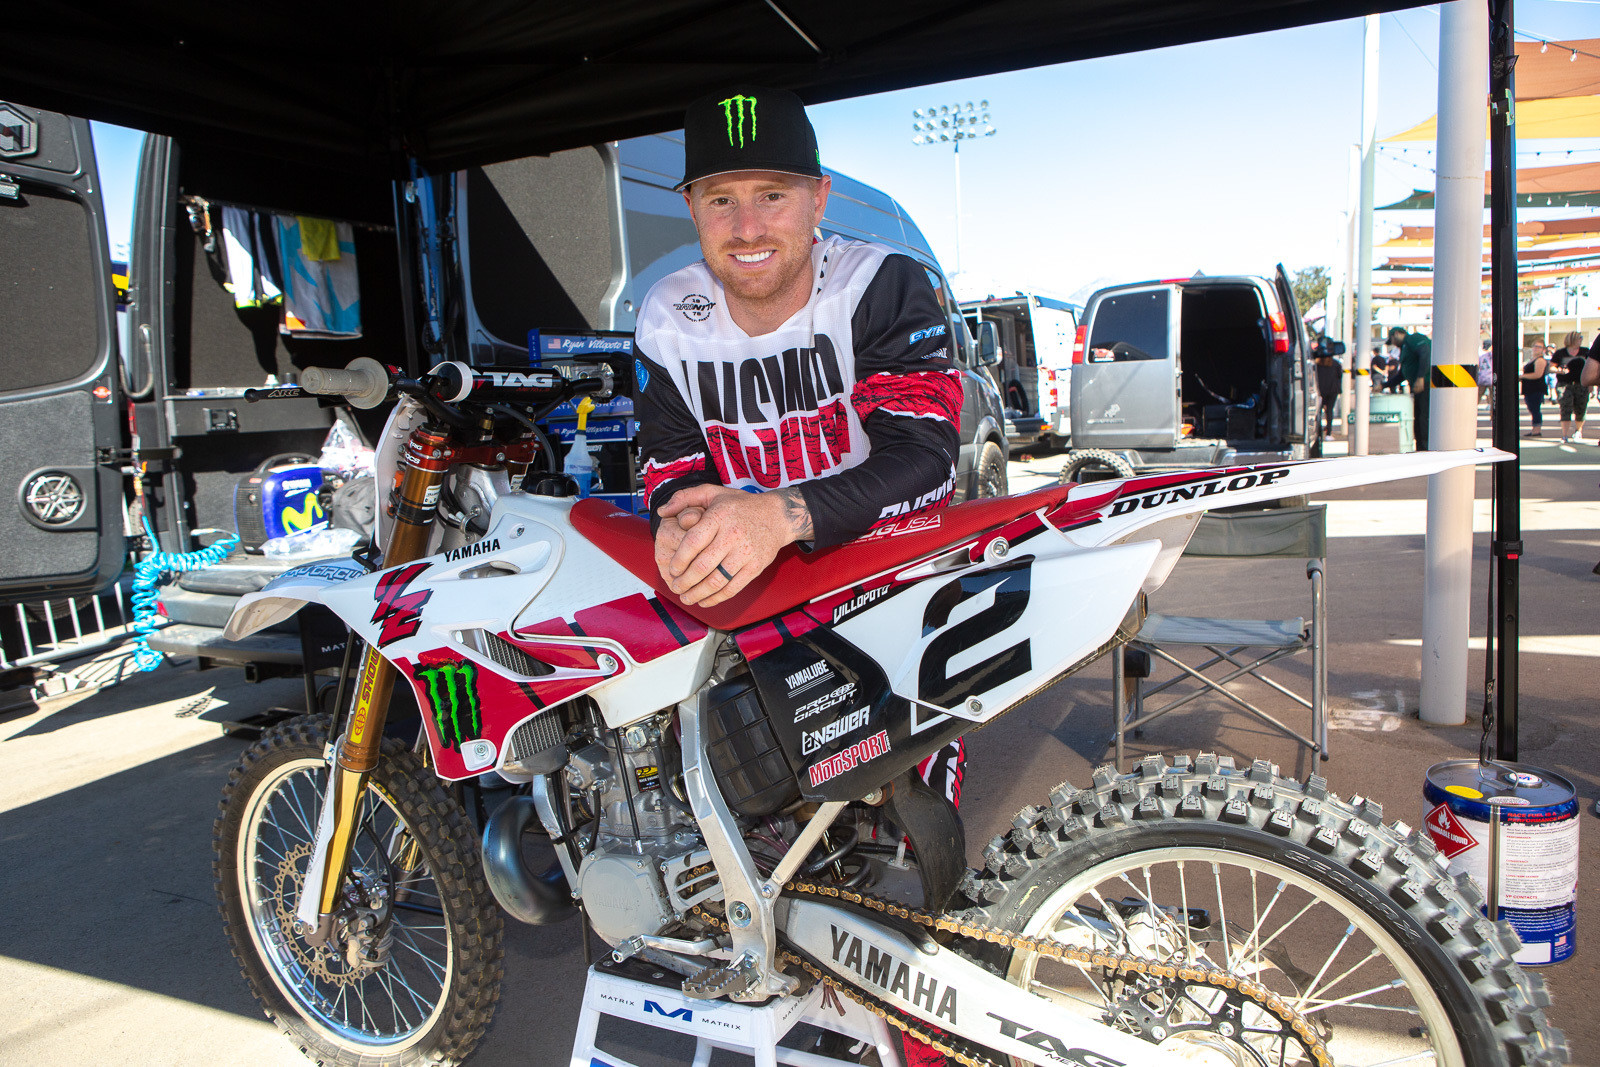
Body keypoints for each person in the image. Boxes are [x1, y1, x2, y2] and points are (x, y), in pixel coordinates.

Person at [1389, 326, 1431, 450]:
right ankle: (1420, 447)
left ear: (1396, 334)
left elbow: (1425, 353)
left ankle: (1425, 448)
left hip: (1426, 384)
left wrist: (1420, 377)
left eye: (1391, 339)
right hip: (1417, 387)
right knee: (1418, 418)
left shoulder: (1413, 339)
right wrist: (1385, 385)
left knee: (1424, 418)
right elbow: (1402, 374)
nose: (1392, 343)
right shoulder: (1405, 348)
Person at [1553, 330, 1590, 444]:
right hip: (1565, 384)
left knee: (1581, 409)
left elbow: (1590, 368)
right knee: (1565, 408)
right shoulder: (1560, 353)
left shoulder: (1585, 352)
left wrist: (1590, 385)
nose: (1581, 340)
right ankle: (1564, 435)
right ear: (1572, 339)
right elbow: (1551, 367)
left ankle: (1578, 430)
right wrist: (1560, 370)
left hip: (1581, 384)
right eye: (1579, 337)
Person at [1520, 341, 1549, 437]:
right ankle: (1535, 428)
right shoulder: (1532, 359)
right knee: (1532, 408)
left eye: (1539, 347)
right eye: (1535, 346)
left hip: (1536, 388)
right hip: (1529, 388)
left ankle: (1537, 429)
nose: (1536, 348)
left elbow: (1537, 374)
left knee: (1535, 408)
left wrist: (1523, 376)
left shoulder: (1540, 360)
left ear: (1543, 350)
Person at [1314, 342, 1343, 436]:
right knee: (1329, 410)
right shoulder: (1335, 363)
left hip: (1320, 390)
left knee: (1318, 411)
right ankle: (1329, 432)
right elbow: (1339, 376)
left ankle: (1317, 431)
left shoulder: (1317, 364)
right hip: (1333, 390)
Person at [1477, 339, 1495, 407]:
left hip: (1481, 378)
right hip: (1491, 378)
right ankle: (1492, 416)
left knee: (1477, 397)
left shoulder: (1481, 355)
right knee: (1493, 400)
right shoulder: (1491, 355)